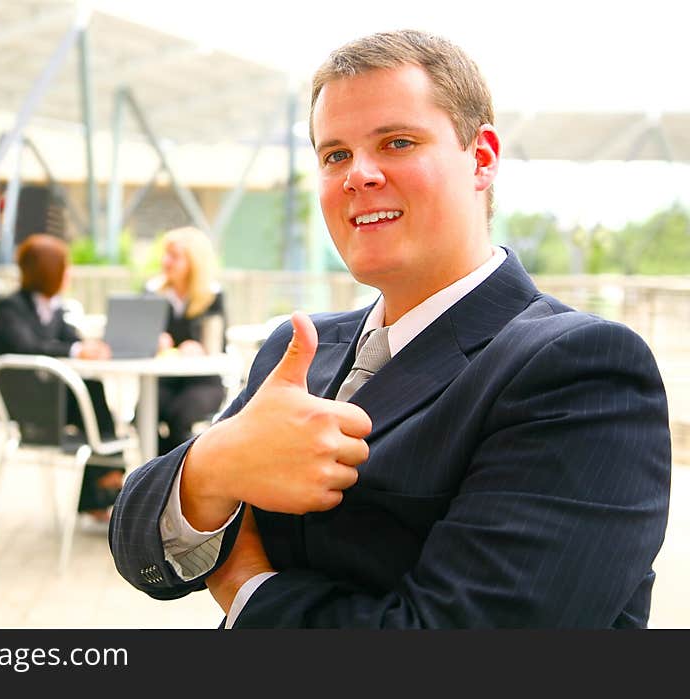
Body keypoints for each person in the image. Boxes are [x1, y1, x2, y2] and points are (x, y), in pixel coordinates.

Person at [108, 30, 671, 628]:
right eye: (335, 155)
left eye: (397, 142)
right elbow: (139, 550)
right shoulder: (299, 350)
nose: (358, 175)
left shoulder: (577, 369)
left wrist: (248, 590)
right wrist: (215, 464)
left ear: (481, 159)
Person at [0, 233, 124, 520]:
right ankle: (109, 471)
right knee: (92, 399)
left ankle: (104, 478)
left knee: (93, 393)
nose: (69, 273)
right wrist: (75, 349)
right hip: (19, 402)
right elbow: (28, 346)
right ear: (48, 271)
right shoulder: (12, 307)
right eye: (64, 267)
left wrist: (86, 346)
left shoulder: (54, 308)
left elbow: (69, 338)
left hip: (47, 395)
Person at [145, 226, 228, 455]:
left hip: (202, 381)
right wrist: (154, 341)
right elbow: (141, 337)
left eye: (174, 256)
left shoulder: (212, 296)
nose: (166, 262)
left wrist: (200, 348)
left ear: (193, 261)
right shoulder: (153, 293)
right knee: (146, 413)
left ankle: (174, 476)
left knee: (181, 415)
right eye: (166, 254)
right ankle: (158, 473)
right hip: (163, 380)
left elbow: (218, 345)